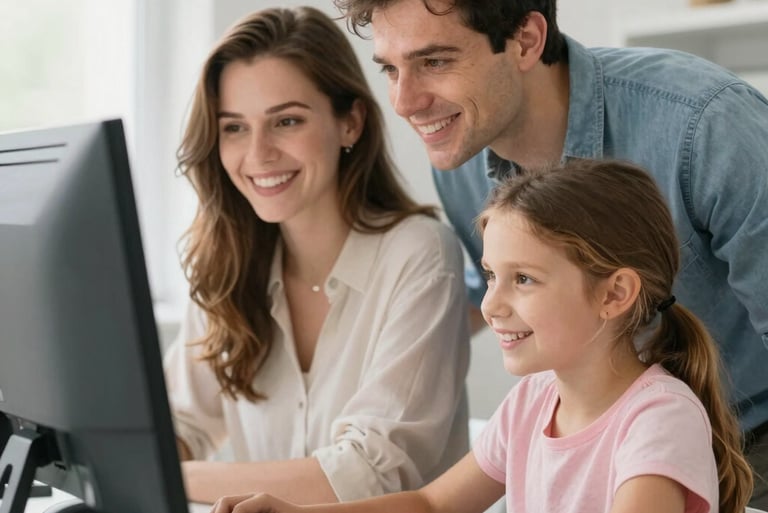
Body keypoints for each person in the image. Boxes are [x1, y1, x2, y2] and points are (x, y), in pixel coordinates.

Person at [333, 0, 768, 506]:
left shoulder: (706, 125)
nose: (404, 102)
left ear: (526, 40)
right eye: (390, 69)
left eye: (435, 61)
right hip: (602, 447)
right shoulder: (460, 155)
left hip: (750, 439)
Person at [209, 159, 753, 513]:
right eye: (492, 276)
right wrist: (294, 512)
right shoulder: (532, 402)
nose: (491, 305)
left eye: (524, 279)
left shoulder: (659, 420)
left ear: (614, 294)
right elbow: (430, 505)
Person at [164, 6, 470, 506]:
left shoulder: (419, 255)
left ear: (350, 123)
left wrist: (175, 478)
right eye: (234, 127)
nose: (258, 154)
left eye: (286, 121)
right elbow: (180, 422)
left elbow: (367, 474)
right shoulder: (226, 265)